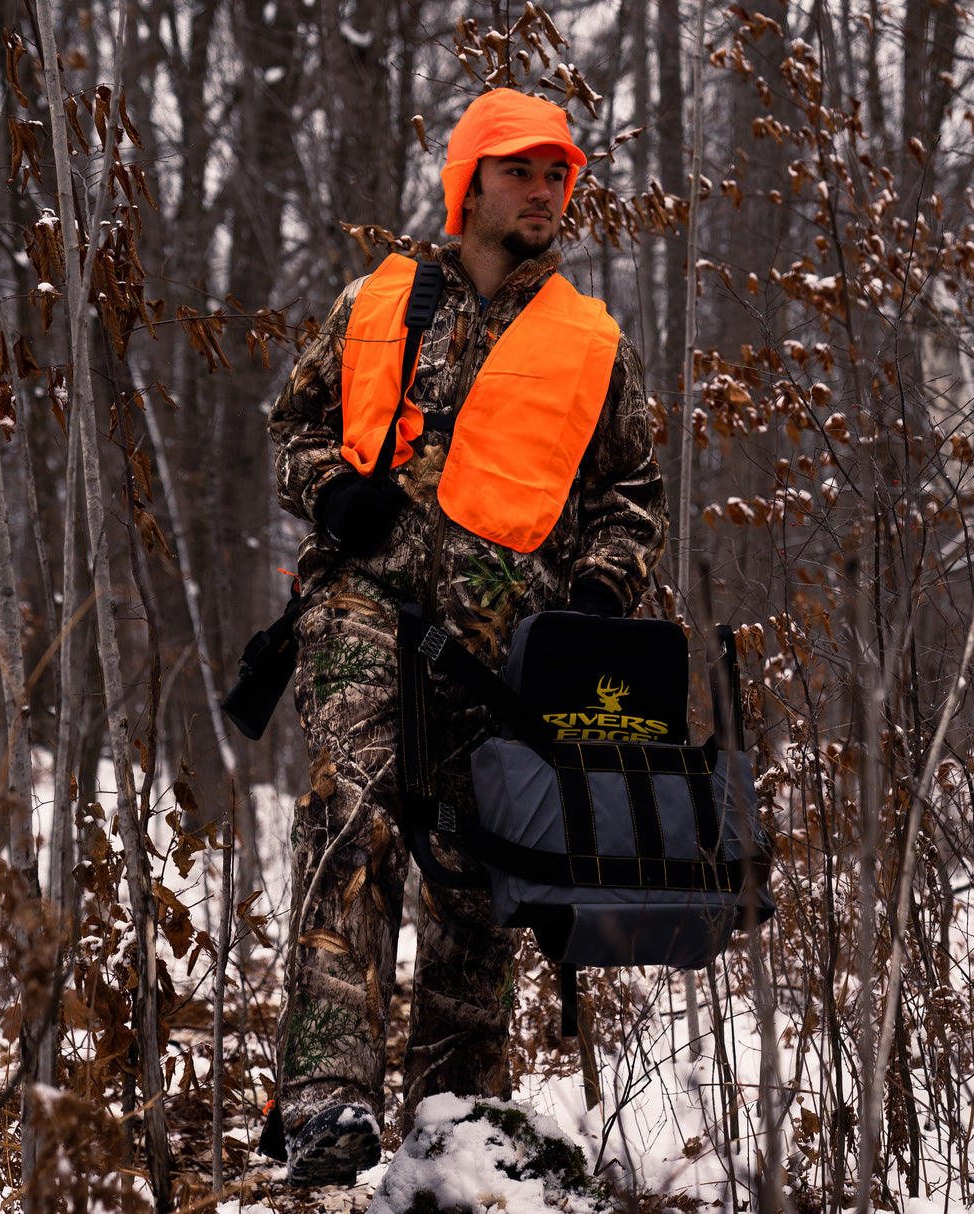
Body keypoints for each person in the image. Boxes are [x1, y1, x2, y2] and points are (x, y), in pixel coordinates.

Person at [265, 87, 668, 1187]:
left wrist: (598, 591)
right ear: (471, 178)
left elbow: (633, 489)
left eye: (558, 175)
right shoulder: (376, 301)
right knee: (352, 807)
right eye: (522, 170)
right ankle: (324, 1100)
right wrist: (328, 494)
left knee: (477, 877)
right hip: (361, 609)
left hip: (505, 645)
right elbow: (292, 427)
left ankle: (450, 1132)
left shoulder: (592, 344)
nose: (544, 192)